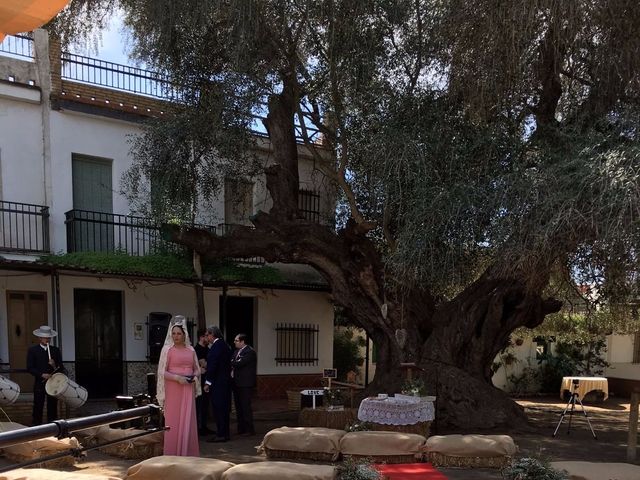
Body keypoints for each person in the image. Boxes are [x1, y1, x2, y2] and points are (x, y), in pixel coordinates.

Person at [156, 316, 200, 456]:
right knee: (173, 420)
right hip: (173, 388)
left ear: (184, 334)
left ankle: (189, 452)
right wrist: (177, 378)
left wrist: (194, 376)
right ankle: (172, 453)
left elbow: (197, 368)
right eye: (173, 333)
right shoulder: (167, 350)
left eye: (179, 333)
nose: (176, 336)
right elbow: (162, 371)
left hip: (188, 388)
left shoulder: (191, 350)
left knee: (188, 419)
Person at [26, 325, 66, 425]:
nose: (47, 339)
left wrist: (54, 365)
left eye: (49, 338)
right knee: (38, 406)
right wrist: (41, 375)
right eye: (45, 337)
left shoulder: (55, 350)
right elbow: (30, 368)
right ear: (40, 338)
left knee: (52, 406)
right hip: (40, 383)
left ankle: (52, 428)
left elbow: (61, 368)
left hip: (52, 383)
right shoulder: (33, 350)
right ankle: (37, 428)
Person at [203, 325, 231, 442]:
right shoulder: (224, 345)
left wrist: (207, 382)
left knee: (219, 408)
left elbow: (213, 367)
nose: (206, 338)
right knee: (224, 409)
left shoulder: (216, 347)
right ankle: (225, 433)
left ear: (212, 335)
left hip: (218, 383)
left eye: (207, 335)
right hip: (225, 382)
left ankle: (221, 434)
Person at [231, 333, 257, 436]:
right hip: (236, 383)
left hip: (245, 384)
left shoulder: (250, 352)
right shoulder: (236, 351)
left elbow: (239, 363)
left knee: (245, 406)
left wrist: (233, 362)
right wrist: (234, 362)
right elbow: (233, 360)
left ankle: (249, 429)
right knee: (238, 407)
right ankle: (241, 428)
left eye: (236, 340)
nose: (235, 342)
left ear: (242, 341)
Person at [194, 328, 212, 436]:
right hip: (199, 382)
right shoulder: (197, 349)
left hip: (207, 380)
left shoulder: (208, 349)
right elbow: (203, 364)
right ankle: (199, 428)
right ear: (201, 337)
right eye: (206, 336)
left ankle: (204, 426)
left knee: (205, 405)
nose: (208, 338)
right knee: (199, 405)